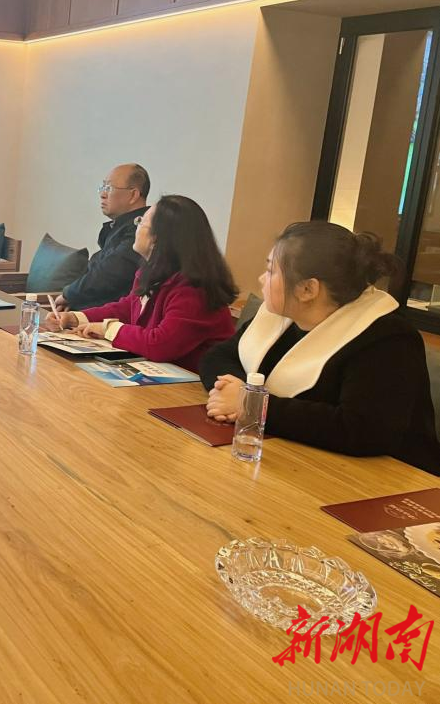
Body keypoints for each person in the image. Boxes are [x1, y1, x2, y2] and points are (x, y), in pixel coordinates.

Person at [201, 221, 440, 475]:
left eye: (271, 271)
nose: (262, 279)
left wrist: (251, 404)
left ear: (308, 289)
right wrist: (236, 394)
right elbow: (217, 357)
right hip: (296, 460)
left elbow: (363, 430)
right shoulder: (284, 314)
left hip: (386, 479)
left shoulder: (388, 338)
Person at [44, 195, 237, 372]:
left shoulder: (195, 287)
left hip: (194, 387)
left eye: (141, 222)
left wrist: (108, 329)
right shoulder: (153, 271)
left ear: (158, 238)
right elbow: (128, 308)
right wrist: (75, 318)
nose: (136, 227)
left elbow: (160, 344)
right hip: (160, 375)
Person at [55, 163, 151, 311]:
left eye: (109, 188)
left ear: (133, 195)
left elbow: (110, 274)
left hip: (109, 318)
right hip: (88, 312)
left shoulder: (140, 230)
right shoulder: (119, 227)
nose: (102, 194)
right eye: (103, 187)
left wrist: (69, 295)